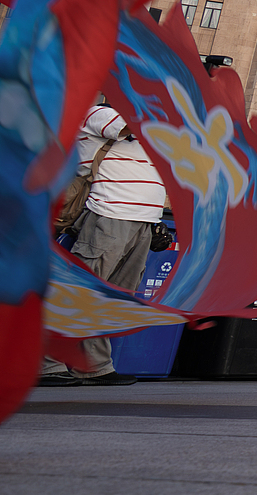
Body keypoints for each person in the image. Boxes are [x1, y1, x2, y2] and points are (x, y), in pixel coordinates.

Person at [38, 106, 167, 387]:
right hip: (108, 216)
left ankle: (94, 365)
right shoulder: (99, 112)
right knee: (78, 292)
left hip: (142, 221)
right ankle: (47, 364)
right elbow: (126, 128)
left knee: (111, 299)